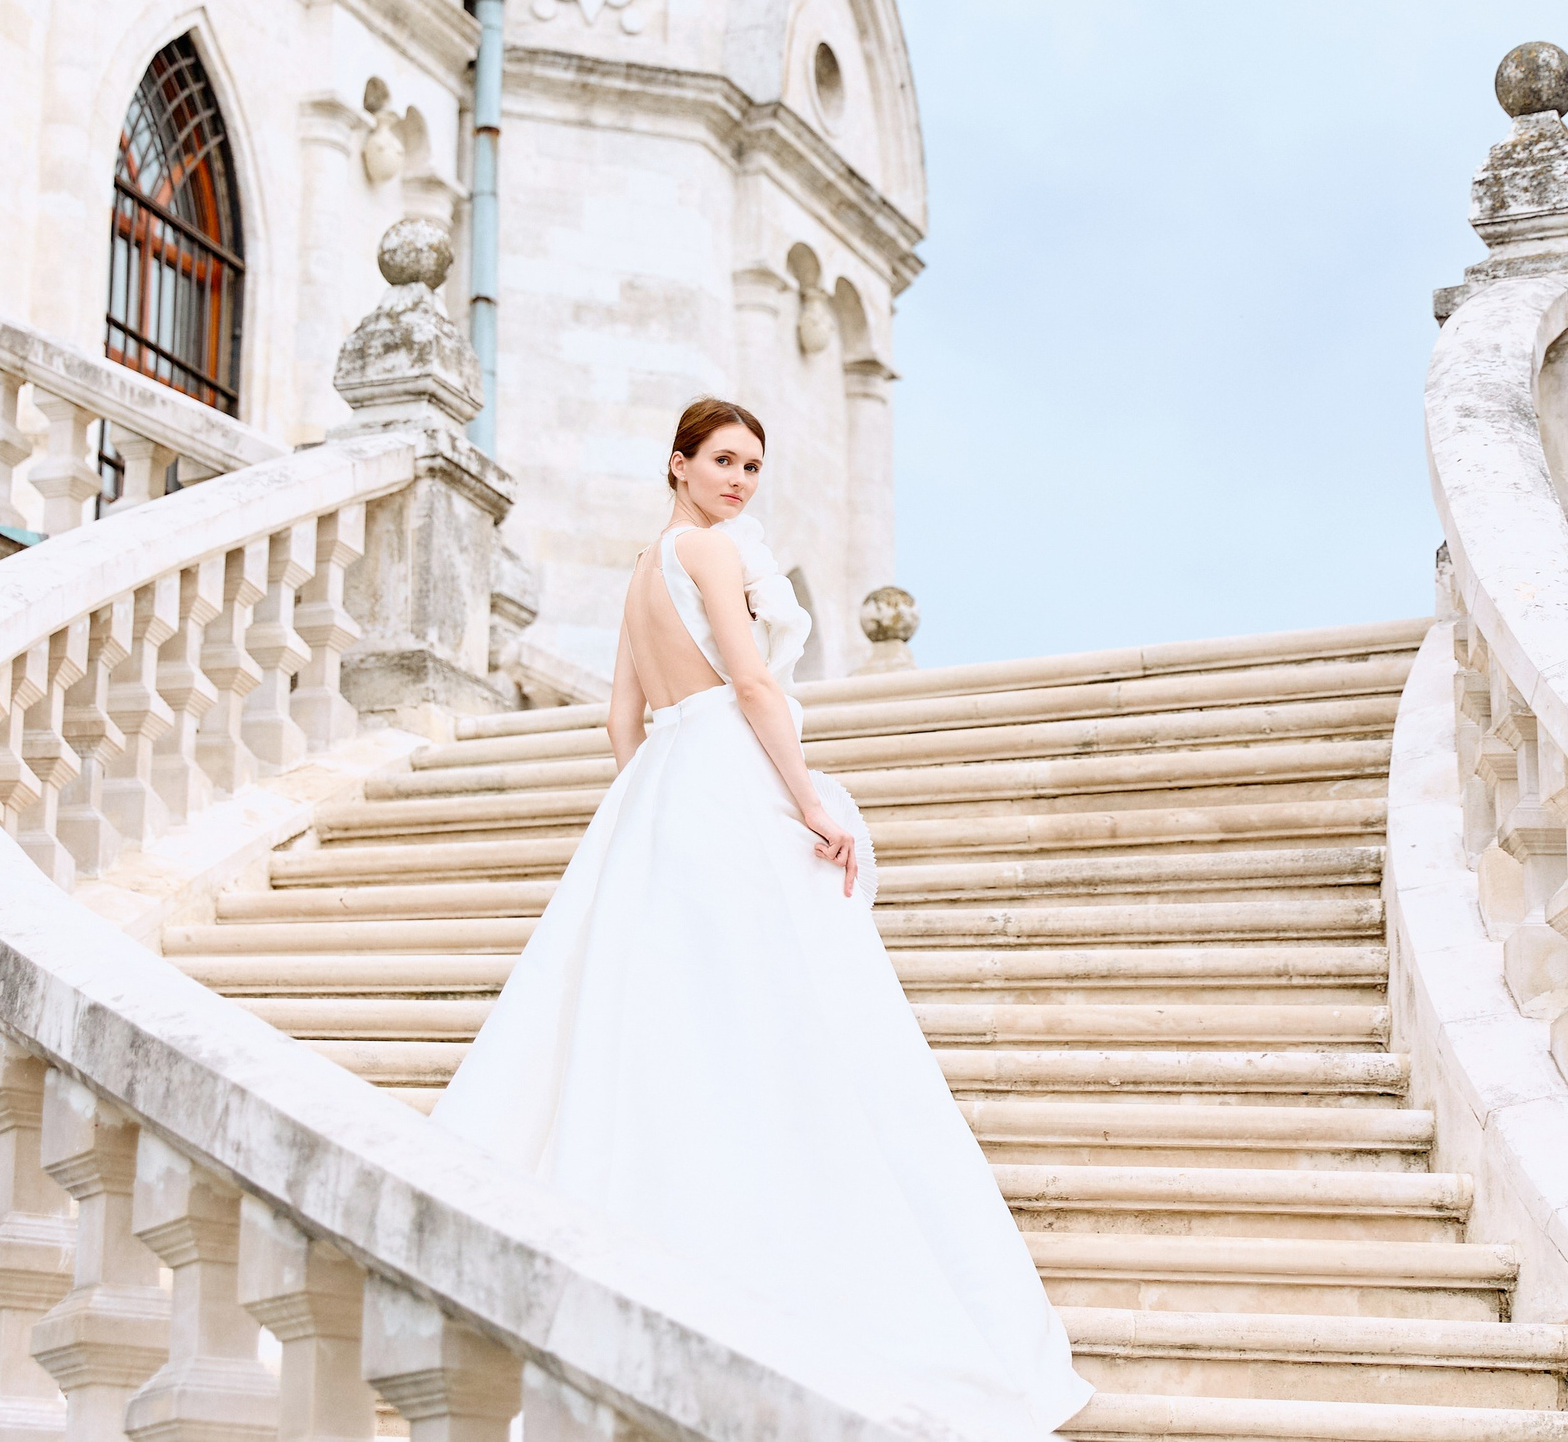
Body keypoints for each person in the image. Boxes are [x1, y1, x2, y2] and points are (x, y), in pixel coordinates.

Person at [432, 397, 1092, 1440]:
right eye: (724, 460)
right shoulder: (709, 552)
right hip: (728, 771)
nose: (741, 480)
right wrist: (808, 801)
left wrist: (646, 807)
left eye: (752, 465)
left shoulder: (646, 567)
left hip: (662, 783)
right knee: (790, 1015)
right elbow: (750, 682)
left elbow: (621, 717)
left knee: (664, 1019)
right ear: (680, 465)